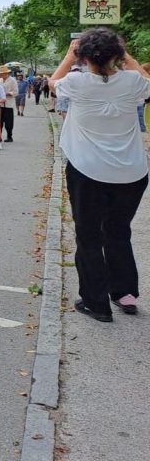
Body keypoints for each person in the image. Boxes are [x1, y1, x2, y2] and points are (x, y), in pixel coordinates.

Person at [51, 29, 150, 321]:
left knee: (89, 236)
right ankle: (125, 293)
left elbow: (52, 82)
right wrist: (126, 55)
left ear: (84, 57)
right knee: (119, 232)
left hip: (88, 171)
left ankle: (96, 302)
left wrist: (69, 56)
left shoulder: (77, 82)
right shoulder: (133, 81)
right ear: (116, 56)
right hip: (131, 173)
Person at [0, 66, 18, 142]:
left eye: (4, 73)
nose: (3, 75)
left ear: (7, 73)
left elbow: (16, 92)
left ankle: (9, 136)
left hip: (8, 103)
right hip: (0, 103)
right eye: (1, 73)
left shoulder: (12, 80)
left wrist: (8, 93)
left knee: (8, 122)